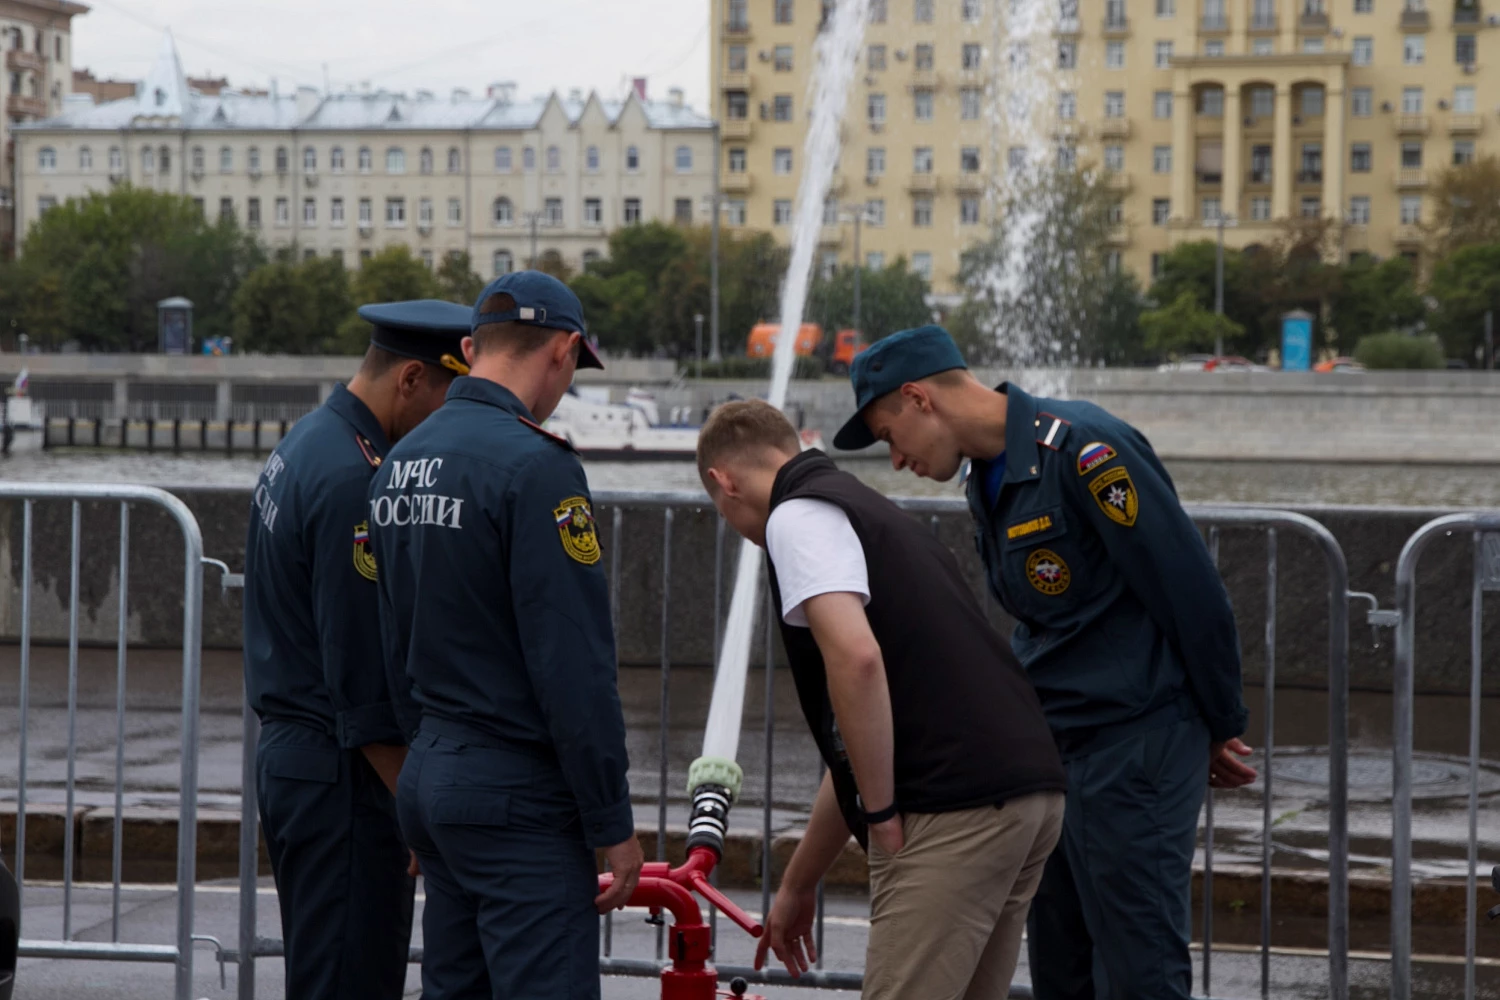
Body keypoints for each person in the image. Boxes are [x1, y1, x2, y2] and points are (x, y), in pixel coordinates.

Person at [831, 325, 1259, 1000]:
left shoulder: (1084, 449)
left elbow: (1188, 589)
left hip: (1134, 739)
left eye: (889, 436)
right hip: (1055, 748)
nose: (897, 460)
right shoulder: (991, 478)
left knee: (1138, 966)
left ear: (918, 398)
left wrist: (1216, 720)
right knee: (1062, 966)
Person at [697, 399, 1068, 1000]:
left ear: (723, 482)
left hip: (953, 804)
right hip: (1029, 793)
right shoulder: (864, 509)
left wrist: (881, 813)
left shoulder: (795, 517)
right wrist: (799, 882)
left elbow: (857, 661)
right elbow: (859, 733)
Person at [368, 271, 643, 1000]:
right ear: (563, 350)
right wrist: (611, 819)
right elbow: (574, 665)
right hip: (518, 798)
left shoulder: (397, 465)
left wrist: (423, 781)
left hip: (434, 779)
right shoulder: (537, 468)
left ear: (469, 347)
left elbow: (392, 641)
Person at [242, 299, 471, 1000]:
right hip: (343, 779)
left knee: (327, 972)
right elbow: (363, 679)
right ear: (410, 380)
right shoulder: (356, 481)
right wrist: (419, 812)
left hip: (300, 761)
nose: (449, 428)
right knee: (350, 980)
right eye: (447, 402)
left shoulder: (310, 441)